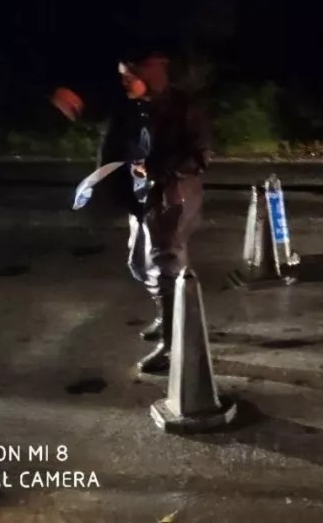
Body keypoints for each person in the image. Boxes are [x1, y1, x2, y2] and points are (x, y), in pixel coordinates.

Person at [51, 51, 211, 373]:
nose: (124, 81)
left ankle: (172, 340)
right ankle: (166, 316)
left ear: (149, 77)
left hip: (171, 197)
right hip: (142, 198)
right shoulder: (133, 106)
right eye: (122, 75)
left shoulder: (183, 108)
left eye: (130, 76)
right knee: (140, 263)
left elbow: (198, 156)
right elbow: (100, 117)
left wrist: (155, 169)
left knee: (166, 266)